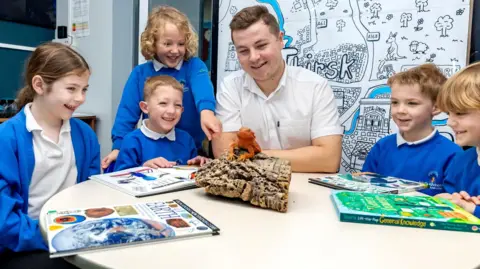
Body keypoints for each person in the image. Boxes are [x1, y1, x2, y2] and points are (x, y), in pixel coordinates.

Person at [0, 42, 100, 269]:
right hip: (24, 244)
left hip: (75, 234)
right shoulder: (7, 139)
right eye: (71, 89)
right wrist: (57, 236)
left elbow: (91, 192)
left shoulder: (85, 135)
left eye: (84, 89)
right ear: (39, 85)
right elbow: (4, 224)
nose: (81, 98)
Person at [212, 5, 343, 173]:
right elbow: (225, 154)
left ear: (280, 40)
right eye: (243, 51)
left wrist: (254, 156)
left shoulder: (315, 87)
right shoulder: (230, 87)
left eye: (261, 46)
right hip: (250, 188)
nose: (254, 57)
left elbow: (329, 159)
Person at [102, 6, 221, 170]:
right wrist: (118, 147)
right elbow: (126, 113)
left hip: (188, 149)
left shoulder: (194, 66)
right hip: (151, 151)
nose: (175, 50)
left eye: (181, 44)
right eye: (167, 44)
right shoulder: (140, 74)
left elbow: (203, 92)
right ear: (153, 43)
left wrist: (207, 112)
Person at [361, 64, 461, 195]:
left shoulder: (453, 155)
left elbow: (454, 205)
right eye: (395, 102)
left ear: (436, 108)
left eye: (412, 103)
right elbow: (363, 188)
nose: (400, 110)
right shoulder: (382, 146)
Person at [114, 75, 209, 171]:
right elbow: (118, 179)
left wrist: (198, 164)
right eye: (163, 103)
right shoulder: (132, 141)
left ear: (182, 110)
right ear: (145, 107)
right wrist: (143, 168)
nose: (171, 111)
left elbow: (191, 173)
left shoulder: (186, 139)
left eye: (177, 105)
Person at [433, 62, 480, 217]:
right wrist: (444, 202)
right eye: (449, 114)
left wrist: (473, 210)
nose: (449, 122)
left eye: (459, 113)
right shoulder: (461, 161)